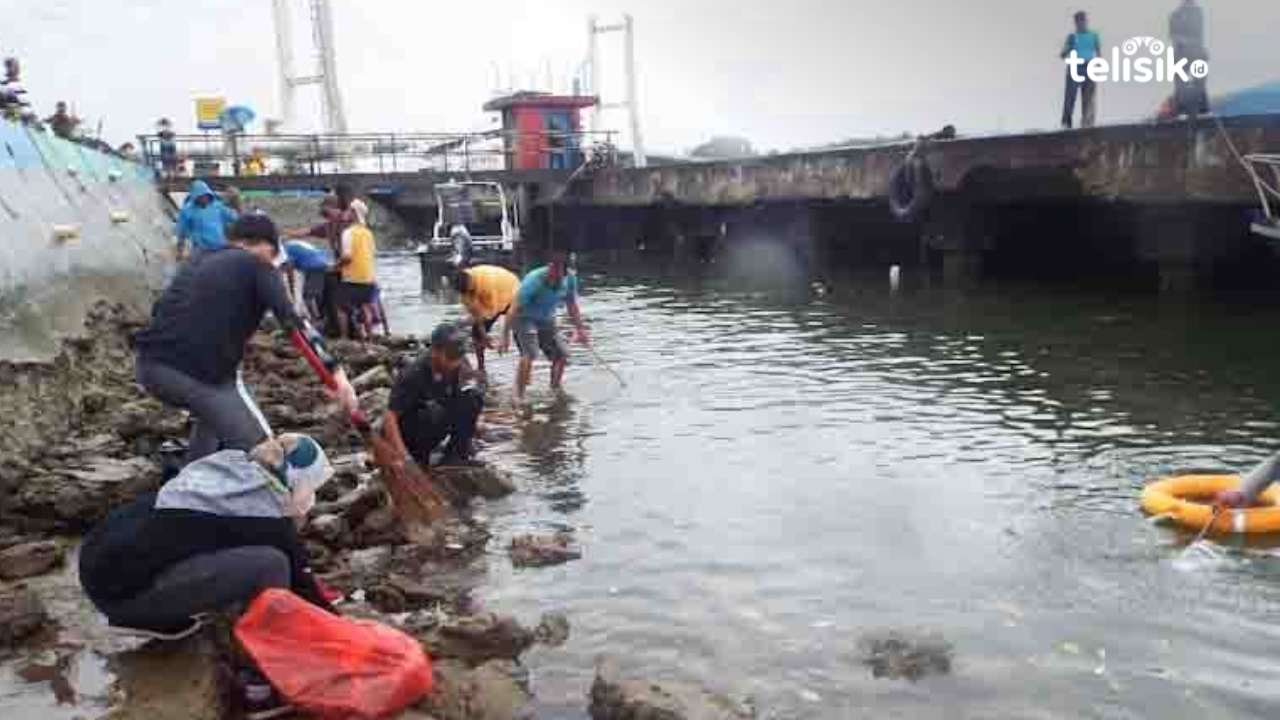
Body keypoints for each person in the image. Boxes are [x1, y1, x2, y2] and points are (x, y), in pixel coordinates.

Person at [134, 213, 358, 464]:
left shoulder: (198, 259)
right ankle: (283, 498)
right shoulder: (258, 265)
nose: (276, 263)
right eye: (275, 255)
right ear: (265, 245)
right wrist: (337, 375)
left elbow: (162, 311)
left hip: (149, 368)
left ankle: (192, 478)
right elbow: (294, 323)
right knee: (267, 455)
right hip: (196, 377)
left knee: (211, 417)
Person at [79, 434, 337, 635]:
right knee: (272, 564)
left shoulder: (230, 465)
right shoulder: (269, 518)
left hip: (96, 564)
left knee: (204, 542)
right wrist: (340, 625)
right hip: (121, 598)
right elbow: (302, 584)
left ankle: (154, 609)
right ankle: (268, 645)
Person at [383, 324, 485, 468]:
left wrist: (471, 427)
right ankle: (420, 457)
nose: (455, 362)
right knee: (433, 410)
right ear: (435, 351)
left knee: (473, 397)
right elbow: (390, 417)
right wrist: (403, 455)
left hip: (436, 423)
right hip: (411, 430)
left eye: (458, 355)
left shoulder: (457, 366)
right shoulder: (414, 374)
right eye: (450, 356)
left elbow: (460, 399)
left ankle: (455, 455)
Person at [500, 252, 591, 400]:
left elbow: (572, 305)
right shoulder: (534, 280)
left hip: (546, 319)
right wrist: (504, 336)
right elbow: (513, 308)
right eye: (552, 268)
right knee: (530, 353)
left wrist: (580, 329)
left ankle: (555, 389)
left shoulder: (570, 279)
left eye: (558, 270)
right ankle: (518, 396)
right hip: (523, 318)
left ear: (565, 272)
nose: (554, 273)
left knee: (561, 355)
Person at [455, 264, 519, 373]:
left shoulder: (487, 282)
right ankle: (481, 367)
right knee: (476, 333)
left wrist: (503, 337)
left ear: (471, 281)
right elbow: (477, 315)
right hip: (488, 299)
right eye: (467, 292)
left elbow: (493, 311)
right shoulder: (465, 292)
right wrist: (483, 335)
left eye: (470, 290)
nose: (468, 293)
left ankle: (523, 361)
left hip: (510, 290)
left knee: (520, 329)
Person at [336, 199, 378, 340]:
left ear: (353, 213)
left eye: (349, 210)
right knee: (365, 307)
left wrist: (335, 267)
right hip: (368, 277)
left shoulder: (348, 233)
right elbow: (371, 254)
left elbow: (347, 257)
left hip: (352, 277)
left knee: (342, 308)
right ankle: (369, 337)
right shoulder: (368, 233)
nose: (346, 213)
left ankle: (344, 337)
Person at [175, 179, 238, 261]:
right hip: (200, 249)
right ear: (195, 197)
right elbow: (181, 232)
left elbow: (236, 218)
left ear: (209, 194)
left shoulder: (218, 206)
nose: (204, 199)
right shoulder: (187, 210)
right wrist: (180, 251)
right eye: (200, 196)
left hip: (220, 246)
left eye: (205, 196)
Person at [1060, 11, 1100, 129]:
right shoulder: (1072, 37)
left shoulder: (1093, 36)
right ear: (1076, 23)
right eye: (1078, 22)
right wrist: (1069, 47)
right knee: (1070, 96)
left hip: (1089, 67)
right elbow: (1063, 54)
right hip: (1075, 66)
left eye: (1082, 21)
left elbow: (1098, 52)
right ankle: (1066, 122)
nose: (1081, 24)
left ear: (1086, 21)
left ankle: (1087, 123)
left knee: (1088, 97)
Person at [1169, 0, 1209, 117]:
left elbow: (1198, 34)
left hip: (1192, 53)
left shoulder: (1196, 12)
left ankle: (1199, 106)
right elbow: (1174, 36)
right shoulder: (1177, 14)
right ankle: (1186, 106)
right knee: (1184, 83)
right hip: (1186, 53)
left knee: (1196, 83)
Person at [282, 238, 333, 321]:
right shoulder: (294, 243)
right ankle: (318, 316)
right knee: (315, 293)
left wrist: (288, 279)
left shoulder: (285, 248)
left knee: (308, 295)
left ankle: (314, 319)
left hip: (314, 266)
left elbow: (289, 266)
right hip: (323, 262)